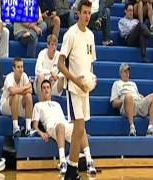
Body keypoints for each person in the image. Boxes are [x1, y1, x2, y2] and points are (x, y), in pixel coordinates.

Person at [57, 0, 96, 179]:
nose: (87, 16)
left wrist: (90, 81)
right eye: (85, 12)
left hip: (84, 88)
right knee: (79, 128)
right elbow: (60, 63)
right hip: (73, 88)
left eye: (89, 12)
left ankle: (72, 169)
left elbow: (91, 64)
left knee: (81, 130)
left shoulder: (90, 36)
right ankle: (71, 171)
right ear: (78, 13)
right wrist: (75, 81)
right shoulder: (70, 34)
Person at [32, 80, 97, 175]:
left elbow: (64, 120)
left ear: (50, 90)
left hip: (64, 124)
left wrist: (78, 132)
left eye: (48, 87)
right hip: (52, 127)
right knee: (61, 126)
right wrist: (41, 133)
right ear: (41, 91)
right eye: (44, 88)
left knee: (80, 127)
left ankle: (89, 161)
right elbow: (35, 125)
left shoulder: (57, 104)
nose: (46, 90)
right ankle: (62, 162)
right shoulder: (38, 105)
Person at [110, 63, 153, 136]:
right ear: (120, 73)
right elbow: (114, 103)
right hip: (126, 105)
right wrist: (124, 99)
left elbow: (138, 95)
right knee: (129, 96)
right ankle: (132, 128)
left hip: (138, 103)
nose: (127, 74)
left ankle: (150, 127)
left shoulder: (133, 83)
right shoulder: (116, 84)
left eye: (128, 72)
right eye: (125, 72)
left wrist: (142, 98)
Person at [0, 57, 35, 138]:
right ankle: (15, 128)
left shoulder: (24, 75)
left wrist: (20, 90)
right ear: (13, 68)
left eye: (22, 67)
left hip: (18, 105)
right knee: (14, 95)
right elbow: (12, 91)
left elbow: (31, 90)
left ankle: (28, 128)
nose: (21, 69)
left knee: (28, 96)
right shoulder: (9, 77)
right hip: (6, 106)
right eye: (18, 67)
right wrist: (24, 88)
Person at [34, 34, 64, 99]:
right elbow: (37, 70)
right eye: (52, 44)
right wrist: (50, 72)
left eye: (56, 45)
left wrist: (57, 76)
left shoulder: (59, 55)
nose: (54, 47)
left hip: (53, 83)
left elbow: (64, 70)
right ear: (48, 45)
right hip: (42, 83)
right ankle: (42, 101)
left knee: (63, 78)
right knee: (41, 76)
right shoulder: (42, 53)